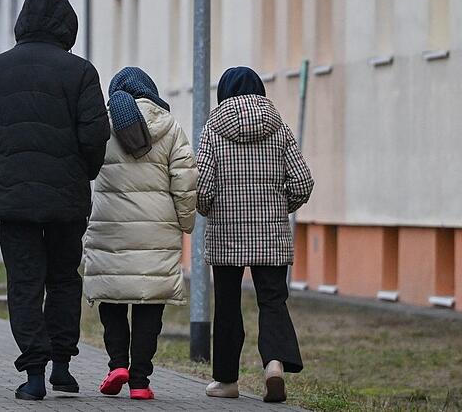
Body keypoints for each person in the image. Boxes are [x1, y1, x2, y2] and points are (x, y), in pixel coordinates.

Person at [0, 0, 110, 400]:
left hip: (15, 201)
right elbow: (95, 133)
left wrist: (2, 169)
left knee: (24, 283)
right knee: (64, 279)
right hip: (67, 199)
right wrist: (83, 172)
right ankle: (62, 366)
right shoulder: (81, 72)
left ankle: (33, 375)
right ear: (68, 25)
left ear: (22, 22)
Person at [196, 66, 314, 403]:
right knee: (272, 300)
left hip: (226, 232)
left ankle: (226, 380)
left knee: (228, 304)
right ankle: (274, 364)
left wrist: (211, 211)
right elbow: (303, 182)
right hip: (271, 231)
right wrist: (280, 208)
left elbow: (201, 188)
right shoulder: (279, 128)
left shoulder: (212, 128)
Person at [83, 67, 197, 400]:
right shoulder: (171, 127)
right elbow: (186, 179)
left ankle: (117, 364)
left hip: (109, 228)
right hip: (157, 231)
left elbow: (84, 167)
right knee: (150, 304)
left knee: (112, 296)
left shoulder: (103, 127)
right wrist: (185, 223)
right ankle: (140, 381)